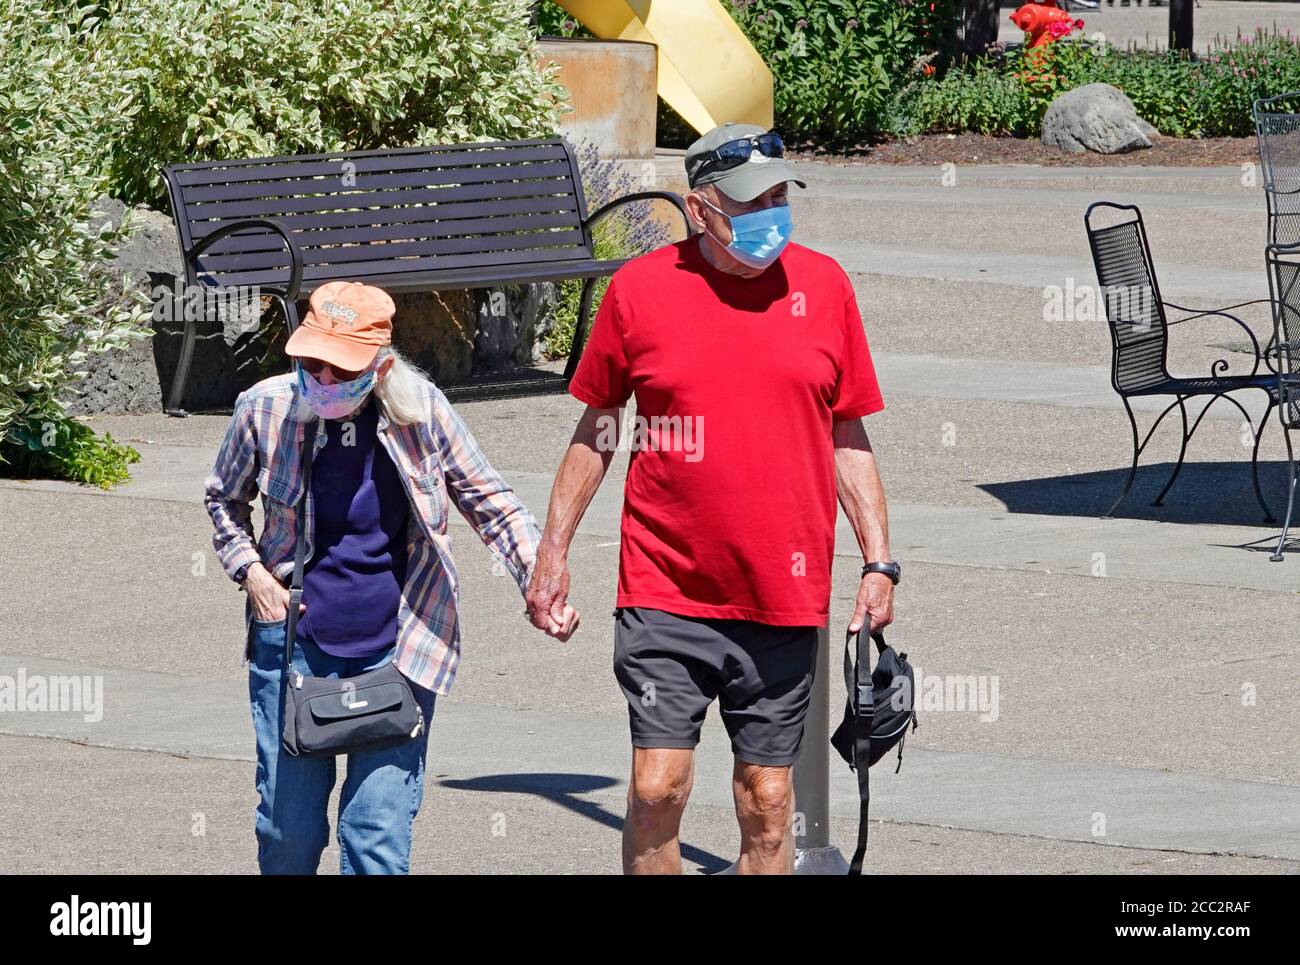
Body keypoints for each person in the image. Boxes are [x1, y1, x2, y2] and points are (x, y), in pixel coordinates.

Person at [525, 123, 897, 875]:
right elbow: (598, 425)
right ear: (699, 209)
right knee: (656, 787)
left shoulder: (824, 289)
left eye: (780, 193)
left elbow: (848, 434)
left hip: (781, 591)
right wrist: (552, 551)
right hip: (666, 587)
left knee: (766, 798)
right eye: (751, 199)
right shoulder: (639, 291)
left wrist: (879, 562)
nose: (772, 210)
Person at [205, 281, 577, 874]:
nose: (322, 379)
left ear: (379, 365)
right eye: (311, 362)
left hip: (401, 647)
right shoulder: (264, 407)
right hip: (295, 648)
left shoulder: (421, 411)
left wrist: (539, 576)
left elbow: (491, 500)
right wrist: (252, 573)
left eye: (340, 367)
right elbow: (223, 499)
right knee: (288, 832)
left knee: (376, 833)